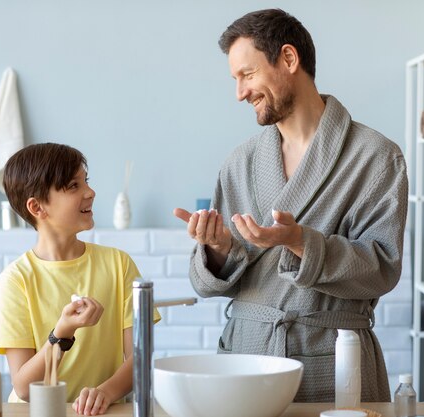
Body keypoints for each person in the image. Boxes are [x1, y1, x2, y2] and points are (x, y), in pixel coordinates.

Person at [174, 9, 408, 402]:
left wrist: (302, 242)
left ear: (288, 58)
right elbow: (208, 280)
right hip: (246, 359)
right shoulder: (240, 162)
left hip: (333, 359)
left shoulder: (375, 157)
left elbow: (381, 270)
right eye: (235, 80)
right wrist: (217, 249)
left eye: (247, 75)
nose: (240, 93)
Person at [0, 143, 159, 415]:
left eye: (86, 181)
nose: (90, 192)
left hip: (105, 412)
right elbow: (24, 387)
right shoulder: (16, 279)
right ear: (37, 207)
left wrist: (104, 393)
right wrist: (63, 333)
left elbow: (140, 358)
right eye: (73, 186)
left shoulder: (118, 264)